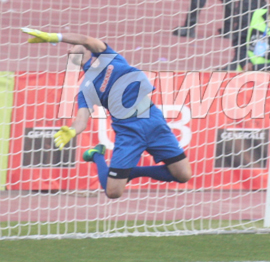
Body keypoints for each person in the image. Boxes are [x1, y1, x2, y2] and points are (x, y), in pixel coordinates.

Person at [23, 28, 192, 199]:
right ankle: (97, 155)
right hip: (128, 131)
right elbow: (81, 119)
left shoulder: (107, 55)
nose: (70, 48)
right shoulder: (86, 88)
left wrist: (56, 37)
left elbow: (86, 38)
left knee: (183, 175)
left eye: (72, 45)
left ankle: (132, 172)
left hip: (153, 121)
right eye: (69, 49)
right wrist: (73, 130)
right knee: (113, 192)